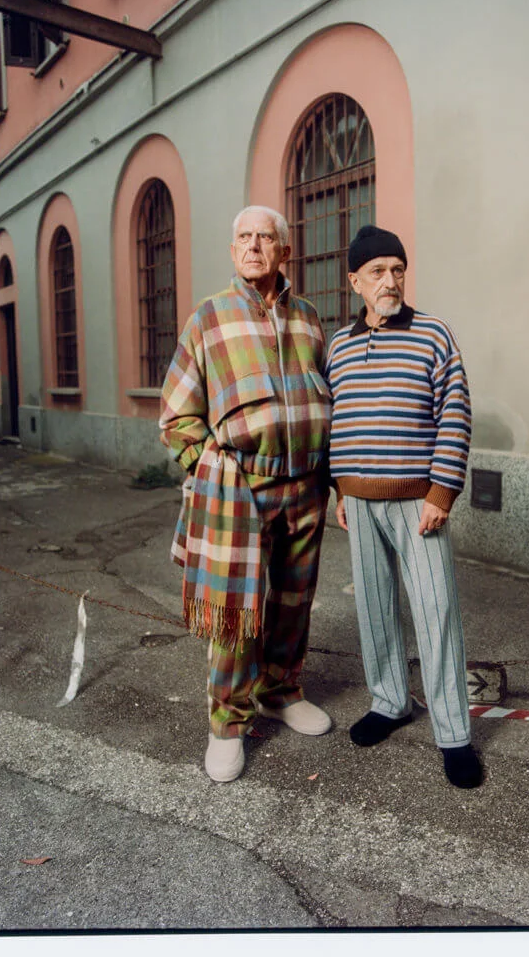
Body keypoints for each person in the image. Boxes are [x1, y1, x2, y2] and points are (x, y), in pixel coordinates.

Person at [160, 205, 332, 783]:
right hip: (242, 487)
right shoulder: (208, 318)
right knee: (236, 612)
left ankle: (281, 692)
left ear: (285, 250)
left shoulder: (308, 318)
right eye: (244, 238)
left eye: (265, 237)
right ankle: (228, 723)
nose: (254, 246)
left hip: (305, 484)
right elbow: (176, 416)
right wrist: (209, 467)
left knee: (293, 601)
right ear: (233, 250)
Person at [325, 224, 482, 789]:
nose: (389, 280)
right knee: (374, 607)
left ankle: (454, 735)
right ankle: (389, 702)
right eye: (377, 271)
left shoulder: (433, 334)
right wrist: (340, 489)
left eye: (397, 270)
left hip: (418, 502)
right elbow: (337, 420)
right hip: (358, 501)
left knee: (436, 613)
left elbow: (455, 416)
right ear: (355, 282)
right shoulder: (338, 346)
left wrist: (441, 493)